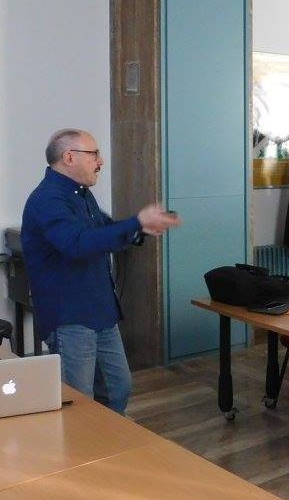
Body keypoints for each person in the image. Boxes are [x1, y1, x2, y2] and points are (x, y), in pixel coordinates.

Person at [21, 129, 180, 413]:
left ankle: (105, 439)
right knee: (78, 401)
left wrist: (140, 228)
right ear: (69, 157)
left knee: (118, 387)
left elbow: (102, 230)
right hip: (70, 316)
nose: (101, 161)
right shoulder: (47, 200)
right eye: (94, 154)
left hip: (100, 309)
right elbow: (77, 243)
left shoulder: (81, 194)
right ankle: (82, 442)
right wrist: (135, 222)